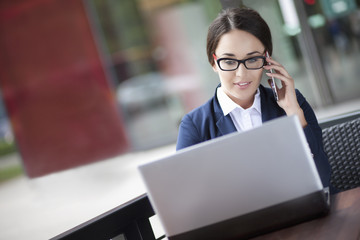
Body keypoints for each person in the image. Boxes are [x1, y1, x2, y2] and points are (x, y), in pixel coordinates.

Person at [176, 7, 333, 192]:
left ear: (266, 59)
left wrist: (294, 114)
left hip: (306, 212)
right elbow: (188, 198)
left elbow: (323, 180)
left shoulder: (293, 102)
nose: (241, 74)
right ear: (213, 62)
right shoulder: (195, 125)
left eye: (252, 60)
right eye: (229, 61)